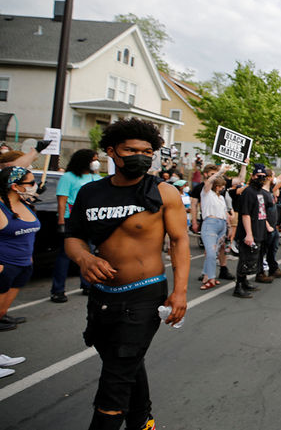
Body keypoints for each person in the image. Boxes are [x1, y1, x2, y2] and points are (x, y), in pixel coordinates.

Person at [64, 118, 189, 430]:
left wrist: (180, 291)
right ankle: (142, 419)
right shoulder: (90, 193)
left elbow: (179, 241)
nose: (140, 156)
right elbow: (72, 236)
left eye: (147, 151)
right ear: (111, 152)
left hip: (144, 296)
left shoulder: (163, 193)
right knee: (121, 361)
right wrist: (83, 257)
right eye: (131, 149)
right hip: (102, 297)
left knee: (116, 379)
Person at [51, 149, 103, 303]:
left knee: (89, 253)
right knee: (65, 256)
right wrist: (61, 221)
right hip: (70, 220)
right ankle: (58, 290)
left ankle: (87, 284)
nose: (96, 161)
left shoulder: (96, 177)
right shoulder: (68, 177)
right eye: (93, 159)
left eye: (97, 159)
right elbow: (62, 201)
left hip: (90, 220)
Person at [0, 166, 41, 331]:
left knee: (2, 312)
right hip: (5, 267)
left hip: (23, 266)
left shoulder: (26, 203)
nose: (35, 185)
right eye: (31, 182)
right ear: (15, 186)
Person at [233, 164, 272, 298]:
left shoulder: (261, 192)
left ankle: (244, 282)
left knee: (252, 259)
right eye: (258, 176)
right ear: (253, 176)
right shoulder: (248, 192)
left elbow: (261, 212)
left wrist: (266, 226)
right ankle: (238, 286)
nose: (260, 179)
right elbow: (245, 214)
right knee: (245, 259)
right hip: (248, 232)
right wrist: (249, 234)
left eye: (263, 177)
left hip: (259, 230)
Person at [198, 164, 231, 290]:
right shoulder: (206, 193)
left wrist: (229, 226)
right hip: (210, 224)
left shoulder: (221, 197)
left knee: (215, 252)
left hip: (221, 225)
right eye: (221, 185)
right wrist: (221, 171)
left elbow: (225, 213)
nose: (222, 188)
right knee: (211, 253)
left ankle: (207, 276)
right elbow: (209, 181)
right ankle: (211, 278)